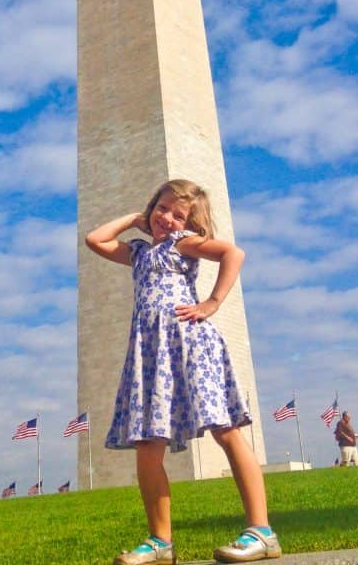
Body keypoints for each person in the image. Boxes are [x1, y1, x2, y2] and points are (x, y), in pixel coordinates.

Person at [86, 179, 281, 565]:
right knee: (146, 446)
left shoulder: (182, 243)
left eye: (179, 215)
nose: (168, 219)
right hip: (151, 352)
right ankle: (161, 542)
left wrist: (211, 302)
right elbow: (95, 239)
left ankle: (261, 531)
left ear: (190, 224)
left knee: (226, 432)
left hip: (190, 345)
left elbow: (233, 253)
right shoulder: (140, 253)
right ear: (150, 208)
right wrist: (133, 218)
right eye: (162, 209)